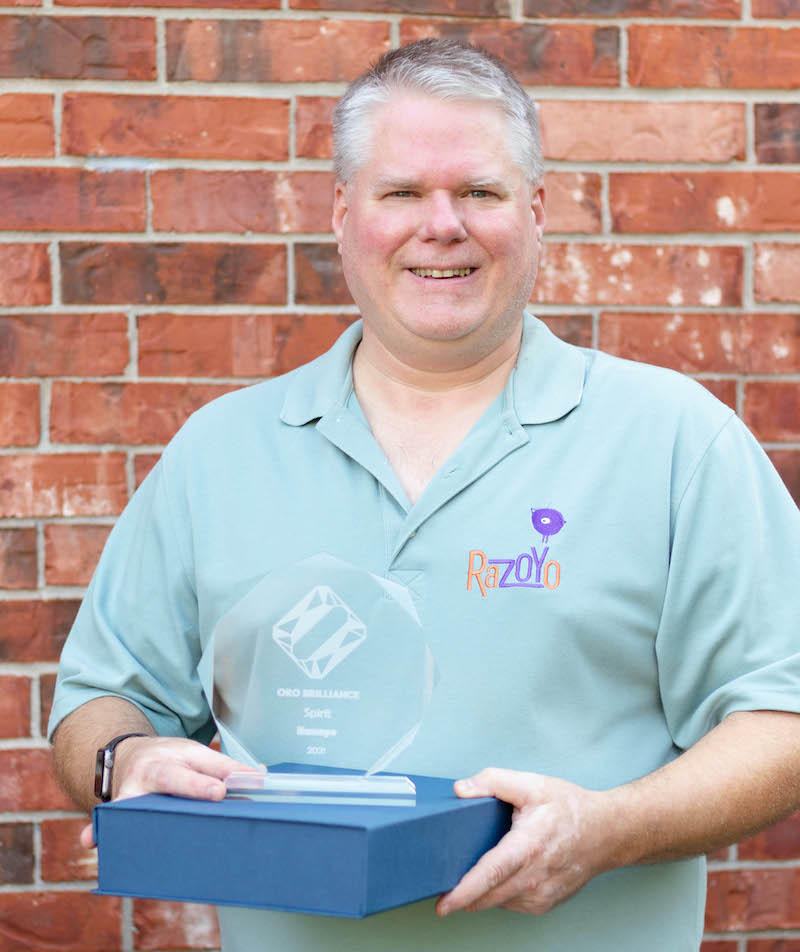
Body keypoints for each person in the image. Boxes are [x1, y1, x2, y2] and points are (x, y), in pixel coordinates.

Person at [49, 39, 800, 952]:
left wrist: (610, 829)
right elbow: (100, 698)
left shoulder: (677, 441)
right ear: (341, 214)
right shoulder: (221, 452)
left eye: (478, 192)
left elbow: (779, 720)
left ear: (535, 212)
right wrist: (125, 758)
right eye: (401, 192)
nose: (440, 225)